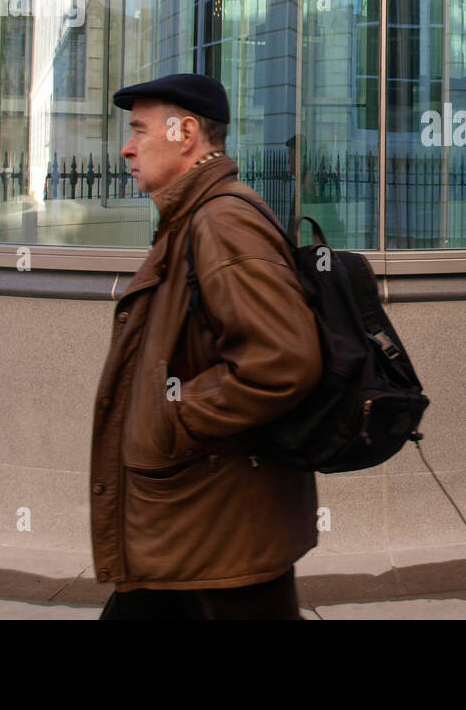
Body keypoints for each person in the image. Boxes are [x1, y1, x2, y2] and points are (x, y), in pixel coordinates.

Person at [93, 73, 322, 620]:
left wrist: (171, 415)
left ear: (186, 132)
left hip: (214, 530)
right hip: (192, 527)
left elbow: (282, 361)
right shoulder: (191, 217)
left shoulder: (221, 221)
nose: (126, 147)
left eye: (140, 131)